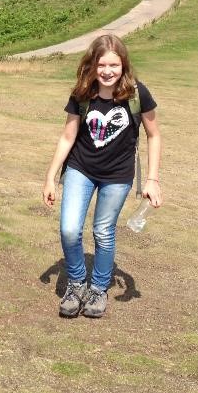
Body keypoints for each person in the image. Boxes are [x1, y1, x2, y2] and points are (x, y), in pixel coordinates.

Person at [42, 34, 162, 318]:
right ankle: (76, 284)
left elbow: (154, 135)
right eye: (102, 65)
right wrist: (50, 176)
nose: (108, 71)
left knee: (103, 232)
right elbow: (67, 136)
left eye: (114, 65)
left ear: (124, 66)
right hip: (80, 169)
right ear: (92, 65)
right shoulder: (82, 93)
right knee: (70, 229)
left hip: (117, 175)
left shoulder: (136, 93)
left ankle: (97, 289)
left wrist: (152, 179)